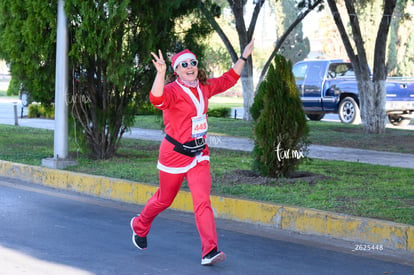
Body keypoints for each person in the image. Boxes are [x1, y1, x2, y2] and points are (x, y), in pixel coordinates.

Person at [130, 39, 254, 266]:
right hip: (173, 155)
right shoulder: (171, 91)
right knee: (164, 200)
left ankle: (210, 250)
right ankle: (140, 225)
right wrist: (159, 73)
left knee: (202, 201)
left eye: (193, 63)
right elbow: (156, 99)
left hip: (199, 154)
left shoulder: (204, 87)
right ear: (176, 71)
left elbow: (229, 79)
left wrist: (243, 57)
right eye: (184, 64)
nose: (189, 67)